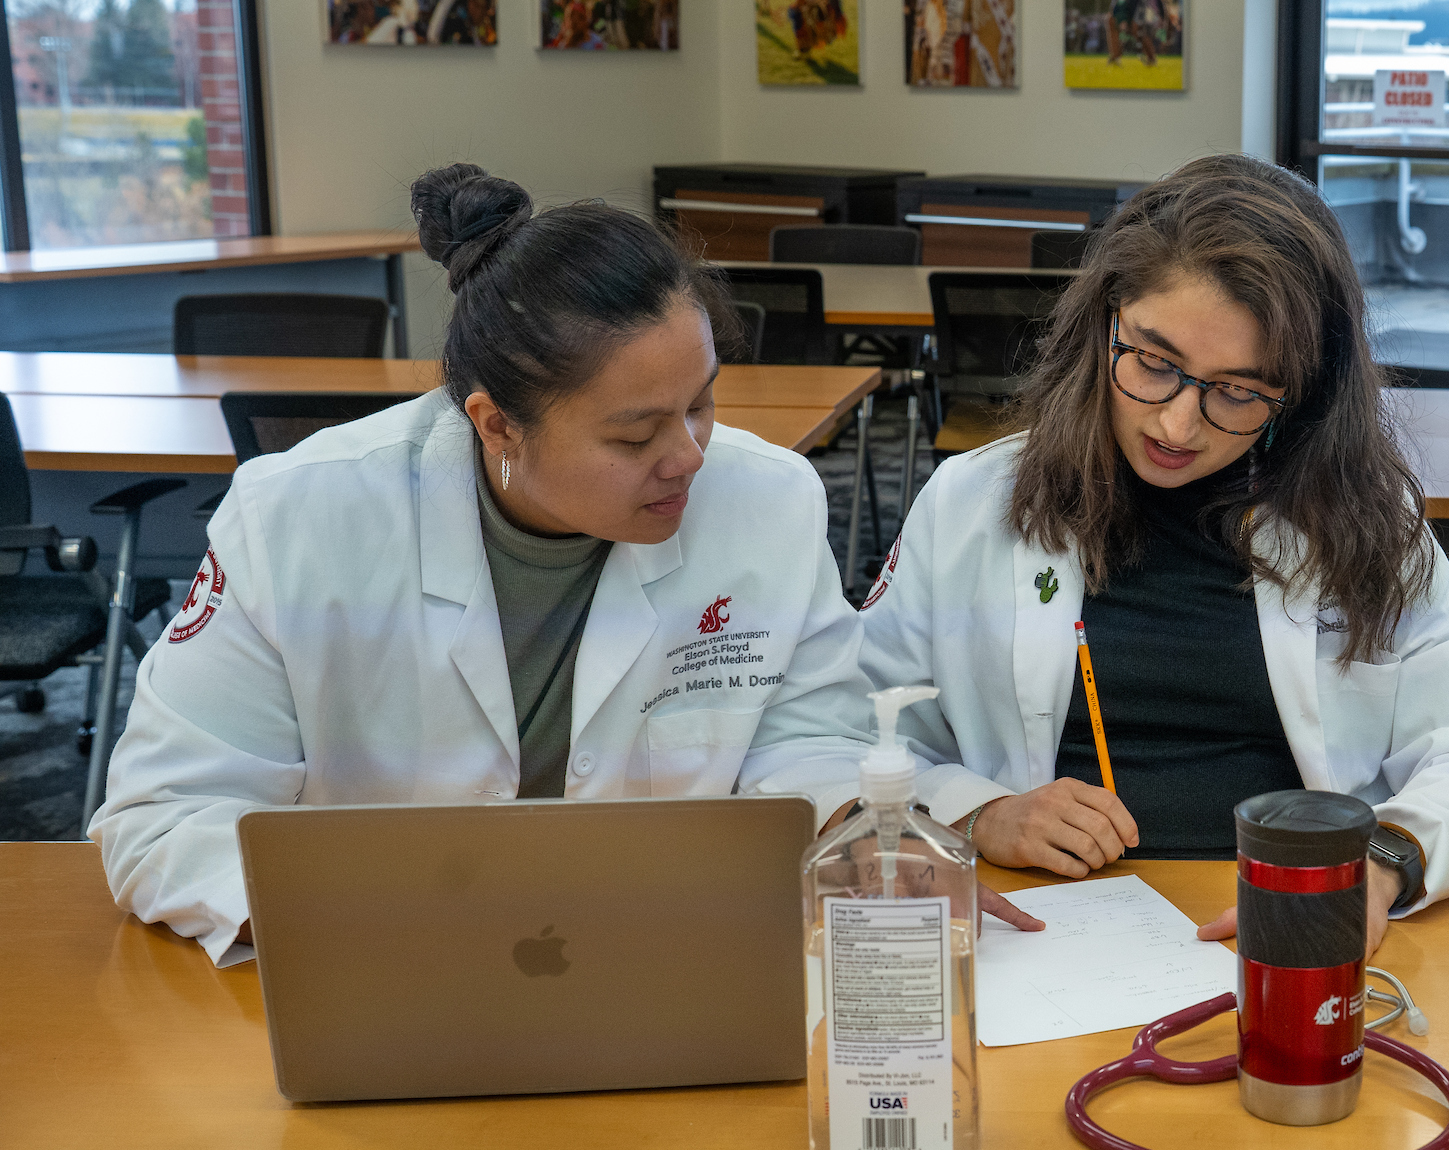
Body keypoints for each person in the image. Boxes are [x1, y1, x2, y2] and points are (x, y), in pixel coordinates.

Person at [93, 164, 1038, 966]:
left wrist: (854, 840)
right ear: (495, 423)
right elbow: (166, 817)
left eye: (701, 404)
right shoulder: (297, 519)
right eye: (634, 435)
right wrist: (389, 924)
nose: (691, 457)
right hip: (393, 977)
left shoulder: (769, 500)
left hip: (669, 962)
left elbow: (805, 741)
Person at [858, 153, 1449, 954]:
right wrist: (982, 812)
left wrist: (1376, 866)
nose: (1178, 425)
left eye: (1238, 391)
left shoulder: (1368, 523)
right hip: (1041, 930)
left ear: (1305, 393)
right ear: (1104, 322)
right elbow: (855, 730)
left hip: (1296, 932)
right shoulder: (971, 504)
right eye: (1153, 362)